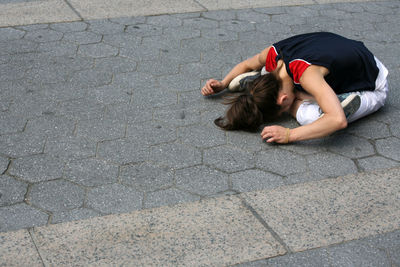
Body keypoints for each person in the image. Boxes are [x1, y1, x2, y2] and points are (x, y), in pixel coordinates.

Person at [201, 32, 388, 144]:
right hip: (343, 50)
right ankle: (319, 99)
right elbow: (246, 65)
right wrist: (223, 83)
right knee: (272, 73)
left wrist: (289, 134)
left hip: (373, 80)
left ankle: (340, 101)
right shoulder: (273, 56)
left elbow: (339, 120)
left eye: (283, 110)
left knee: (311, 119)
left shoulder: (307, 76)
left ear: (282, 101)